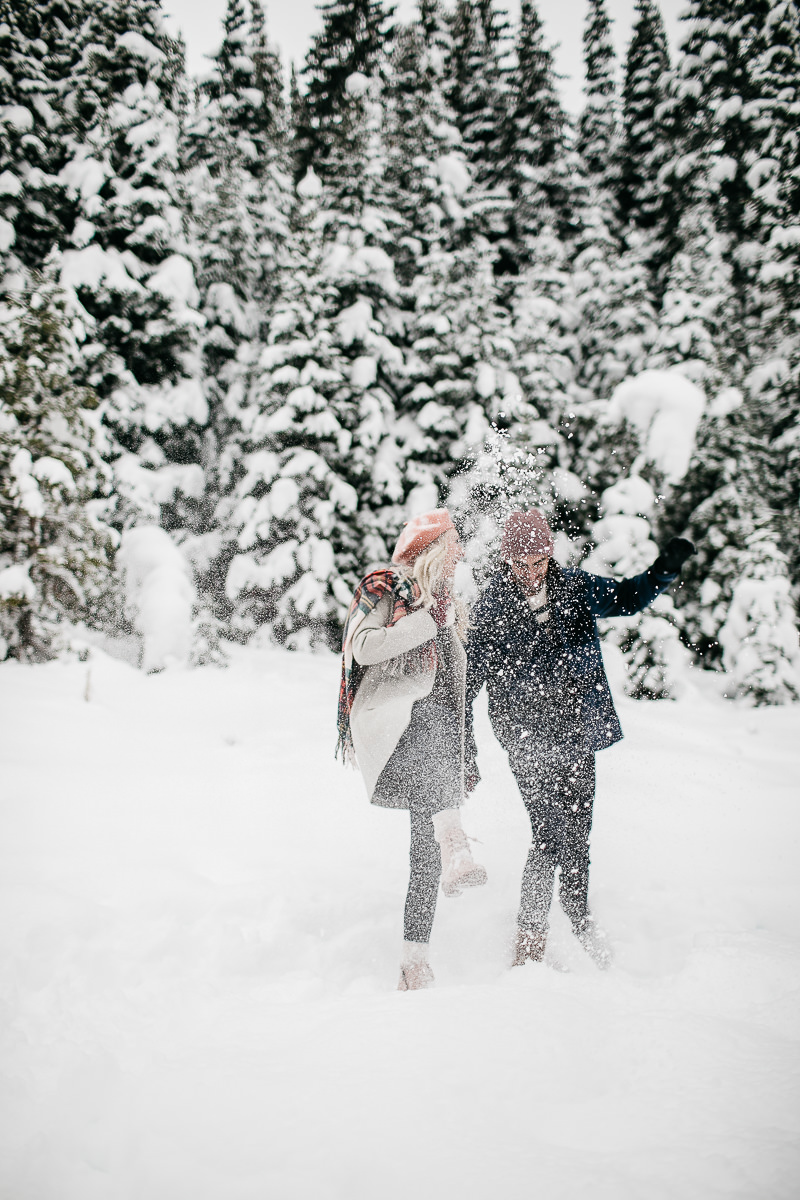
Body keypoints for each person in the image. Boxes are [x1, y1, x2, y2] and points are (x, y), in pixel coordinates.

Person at [464, 509, 696, 969]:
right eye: (519, 563)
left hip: (576, 732)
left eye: (536, 562)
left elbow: (628, 598)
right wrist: (463, 746)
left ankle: (577, 916)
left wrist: (664, 569)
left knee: (579, 835)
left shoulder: (573, 586)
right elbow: (469, 681)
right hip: (527, 736)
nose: (529, 573)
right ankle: (529, 939)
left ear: (548, 556)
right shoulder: (492, 607)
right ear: (507, 560)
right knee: (548, 834)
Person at [337, 508, 488, 991]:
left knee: (424, 857)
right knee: (427, 722)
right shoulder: (386, 588)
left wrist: (469, 755)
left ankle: (413, 962)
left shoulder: (447, 607)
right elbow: (363, 648)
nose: (461, 555)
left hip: (438, 748)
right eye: (455, 546)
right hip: (398, 729)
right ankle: (456, 842)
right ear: (434, 549)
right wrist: (426, 622)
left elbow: (456, 695)